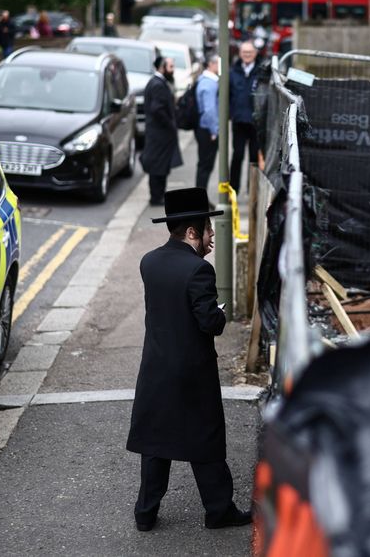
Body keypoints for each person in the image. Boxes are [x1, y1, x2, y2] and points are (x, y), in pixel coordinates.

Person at [127, 187, 252, 532]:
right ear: (193, 232)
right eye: (208, 230)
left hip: (155, 367)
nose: (213, 237)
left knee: (155, 442)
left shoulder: (149, 262)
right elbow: (209, 322)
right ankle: (218, 510)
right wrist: (220, 313)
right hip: (192, 373)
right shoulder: (199, 270)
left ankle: (145, 513)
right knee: (205, 439)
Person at [139, 55, 182, 205]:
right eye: (170, 67)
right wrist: (170, 124)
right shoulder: (158, 84)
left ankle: (158, 196)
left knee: (160, 166)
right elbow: (157, 109)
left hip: (159, 133)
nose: (172, 70)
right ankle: (156, 197)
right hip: (159, 134)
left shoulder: (158, 82)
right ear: (162, 67)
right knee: (158, 167)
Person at [228, 41, 261, 194]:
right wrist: (231, 113)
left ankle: (252, 190)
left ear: (255, 53)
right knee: (237, 156)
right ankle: (233, 189)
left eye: (250, 52)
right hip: (239, 121)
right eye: (244, 52)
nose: (247, 55)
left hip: (256, 123)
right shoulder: (232, 72)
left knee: (254, 159)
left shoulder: (261, 72)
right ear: (240, 54)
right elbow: (227, 95)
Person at [194, 55, 221, 191]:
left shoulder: (204, 80)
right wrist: (214, 131)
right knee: (205, 165)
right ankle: (200, 199)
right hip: (207, 130)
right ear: (212, 64)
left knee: (204, 165)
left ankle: (200, 197)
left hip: (204, 128)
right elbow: (209, 110)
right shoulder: (209, 83)